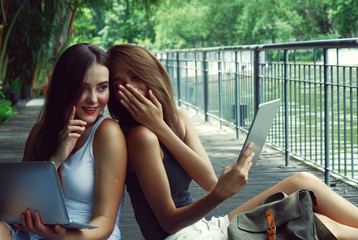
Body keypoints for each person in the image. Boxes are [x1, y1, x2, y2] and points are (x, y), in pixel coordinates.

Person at [107, 44, 358, 240]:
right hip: (182, 235)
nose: (131, 88)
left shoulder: (178, 119)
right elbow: (169, 223)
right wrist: (219, 195)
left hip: (205, 226)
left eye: (136, 76)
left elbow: (207, 181)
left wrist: (161, 127)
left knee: (303, 182)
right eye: (120, 85)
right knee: (321, 224)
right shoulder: (141, 138)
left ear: (153, 73)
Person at [0, 43, 127, 240]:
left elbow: (105, 221)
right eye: (83, 88)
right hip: (35, 234)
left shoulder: (108, 133)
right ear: (64, 87)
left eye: (102, 87)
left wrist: (63, 237)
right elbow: (22, 203)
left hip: (83, 237)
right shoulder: (40, 131)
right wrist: (57, 157)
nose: (93, 99)